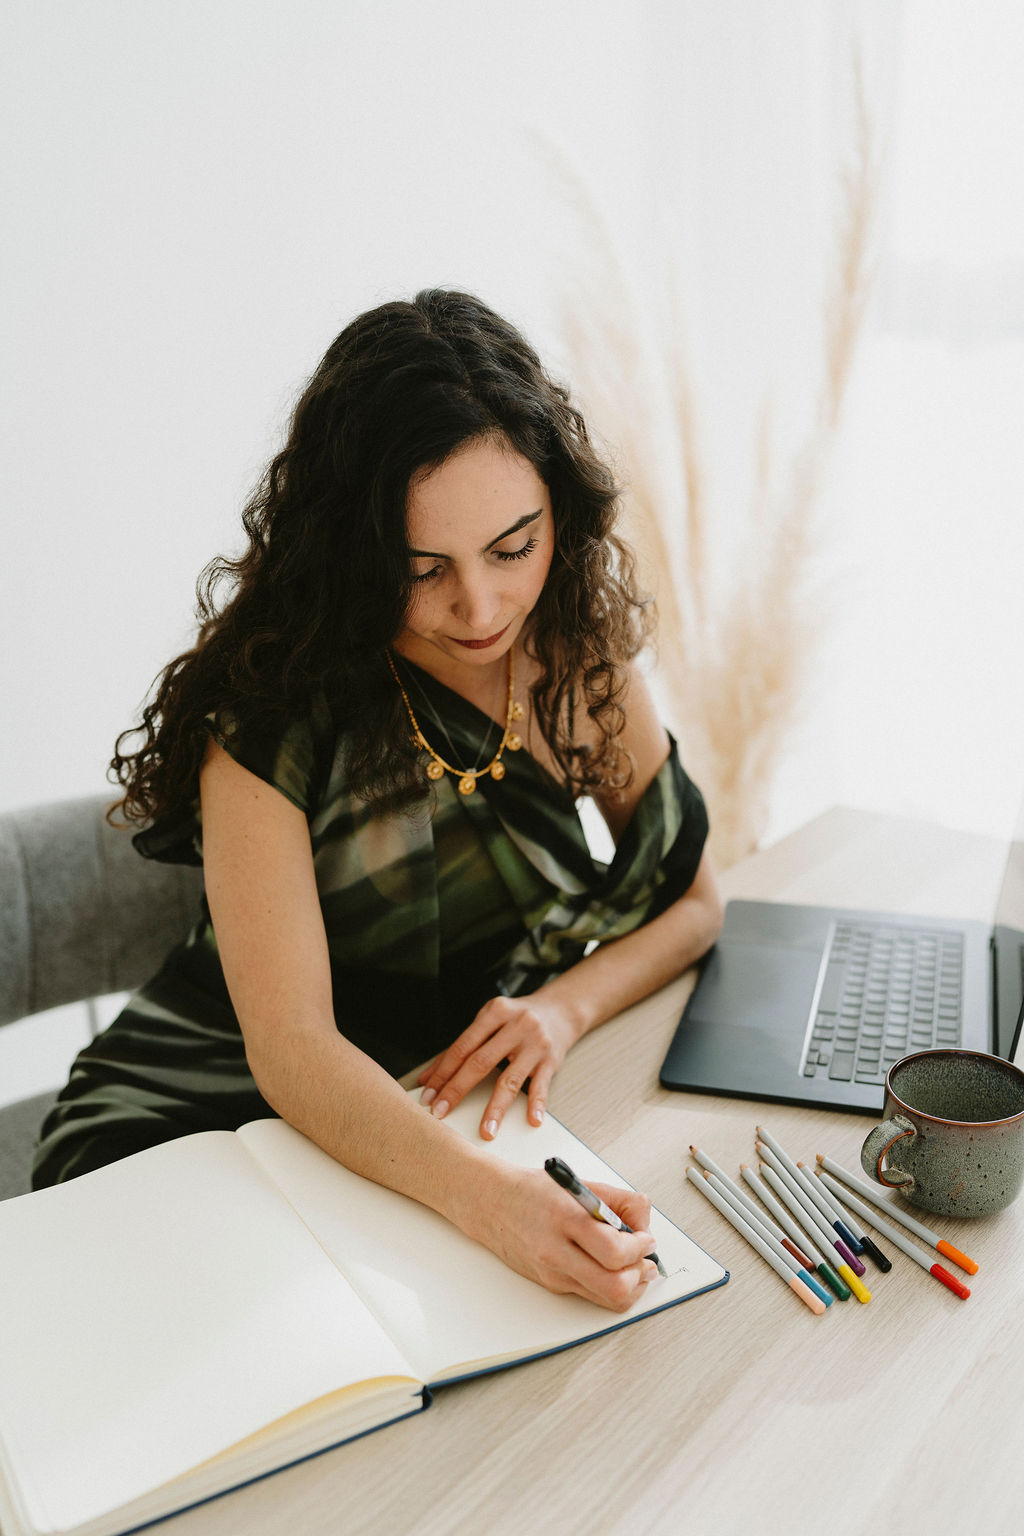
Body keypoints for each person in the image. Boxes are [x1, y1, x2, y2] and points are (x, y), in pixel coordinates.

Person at [33, 290, 722, 1311]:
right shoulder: (273, 710)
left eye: (511, 548)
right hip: (205, 1116)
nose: (479, 608)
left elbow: (697, 902)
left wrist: (559, 1011)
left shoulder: (578, 657)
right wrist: (490, 1204)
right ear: (354, 551)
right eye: (421, 569)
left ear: (556, 514)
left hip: (446, 1108)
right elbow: (295, 1051)